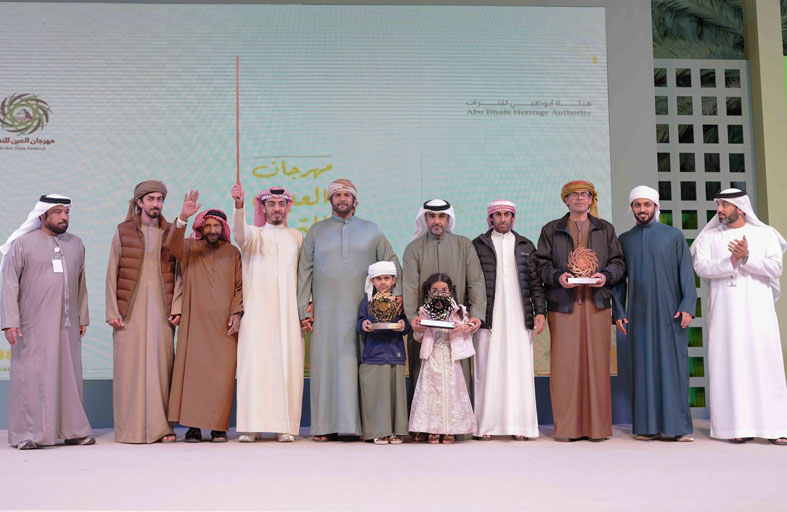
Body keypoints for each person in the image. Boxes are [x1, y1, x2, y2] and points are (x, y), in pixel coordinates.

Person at [297, 178, 402, 441]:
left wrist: (396, 297)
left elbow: (391, 263)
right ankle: (324, 426)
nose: (342, 199)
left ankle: (366, 426)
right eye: (337, 195)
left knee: (360, 367)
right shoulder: (316, 231)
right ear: (330, 200)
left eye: (347, 195)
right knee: (326, 367)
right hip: (325, 313)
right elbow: (303, 273)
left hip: (362, 313)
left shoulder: (372, 230)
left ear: (355, 201)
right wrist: (303, 310)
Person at [691, 188, 787, 445]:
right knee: (730, 366)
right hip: (725, 313)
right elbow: (701, 267)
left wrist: (746, 257)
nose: (719, 210)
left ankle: (775, 427)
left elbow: (775, 268)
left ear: (740, 208)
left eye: (725, 205)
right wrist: (731, 261)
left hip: (758, 312)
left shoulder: (765, 234)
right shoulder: (709, 237)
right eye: (718, 205)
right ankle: (735, 426)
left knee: (766, 365)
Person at [533, 180, 625, 441]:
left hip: (596, 303)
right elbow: (541, 264)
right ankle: (567, 428)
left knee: (597, 365)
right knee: (565, 367)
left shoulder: (605, 229)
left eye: (585, 195)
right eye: (574, 195)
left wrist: (605, 276)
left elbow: (618, 262)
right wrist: (557, 277)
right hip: (563, 304)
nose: (580, 199)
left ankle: (597, 428)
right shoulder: (551, 229)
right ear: (566, 200)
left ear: (591, 199)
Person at [1, 194, 94, 449]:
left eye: (67, 212)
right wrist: (10, 321)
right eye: (58, 212)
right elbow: (9, 284)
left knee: (69, 376)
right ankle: (28, 434)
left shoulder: (76, 244)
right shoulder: (23, 244)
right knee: (32, 377)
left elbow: (81, 283)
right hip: (32, 325)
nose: (64, 217)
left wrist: (82, 316)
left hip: (68, 324)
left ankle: (74, 430)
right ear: (42, 215)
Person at [613, 186, 696, 442]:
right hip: (638, 315)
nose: (642, 209)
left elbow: (687, 274)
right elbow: (619, 281)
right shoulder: (625, 240)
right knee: (643, 370)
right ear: (631, 208)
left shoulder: (674, 236)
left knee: (674, 369)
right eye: (637, 205)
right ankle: (646, 427)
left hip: (671, 314)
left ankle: (678, 428)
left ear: (656, 207)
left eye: (646, 205)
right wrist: (619, 311)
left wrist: (687, 306)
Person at [106, 180, 179, 443]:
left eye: (160, 199)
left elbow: (179, 273)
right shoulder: (123, 231)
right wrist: (112, 310)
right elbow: (112, 269)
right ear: (139, 202)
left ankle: (162, 428)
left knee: (161, 369)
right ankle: (130, 429)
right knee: (129, 369)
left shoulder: (170, 232)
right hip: (129, 311)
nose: (156, 204)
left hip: (162, 310)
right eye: (151, 199)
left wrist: (177, 307)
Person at [167, 192, 243, 443]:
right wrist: (183, 217)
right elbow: (172, 245)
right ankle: (194, 427)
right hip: (195, 323)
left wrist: (236, 313)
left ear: (223, 229)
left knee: (222, 377)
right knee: (195, 376)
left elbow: (239, 287)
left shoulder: (232, 252)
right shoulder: (190, 248)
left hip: (224, 326)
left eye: (216, 226)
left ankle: (218, 427)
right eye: (207, 225)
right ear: (200, 228)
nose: (212, 230)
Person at [231, 183, 304, 443]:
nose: (276, 208)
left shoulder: (296, 237)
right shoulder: (254, 234)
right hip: (257, 313)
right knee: (255, 366)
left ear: (287, 208)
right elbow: (238, 234)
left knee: (287, 366)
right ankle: (251, 426)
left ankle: (285, 426)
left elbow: (303, 275)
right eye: (271, 204)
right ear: (263, 208)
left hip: (288, 315)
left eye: (281, 204)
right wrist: (239, 205)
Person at [471, 199, 546, 440]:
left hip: (519, 316)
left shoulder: (525, 245)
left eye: (507, 214)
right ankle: (485, 427)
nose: (503, 219)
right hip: (488, 318)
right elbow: (471, 283)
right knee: (487, 368)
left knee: (519, 368)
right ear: (490, 218)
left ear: (513, 218)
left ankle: (521, 427)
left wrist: (540, 311)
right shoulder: (478, 245)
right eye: (498, 214)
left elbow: (535, 283)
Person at [402, 199, 485, 404]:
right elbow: (410, 287)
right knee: (422, 379)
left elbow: (476, 282)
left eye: (441, 216)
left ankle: (456, 424)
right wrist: (413, 319)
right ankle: (422, 423)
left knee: (458, 380)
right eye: (432, 216)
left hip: (457, 325)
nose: (437, 221)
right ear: (425, 218)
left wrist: (476, 316)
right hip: (424, 327)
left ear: (449, 219)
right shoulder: (414, 248)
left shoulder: (463, 245)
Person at [409, 273, 476, 444]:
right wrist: (419, 328)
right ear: (429, 292)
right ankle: (433, 429)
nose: (440, 293)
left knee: (451, 391)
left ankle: (449, 429)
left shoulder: (458, 309)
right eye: (435, 290)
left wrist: (463, 327)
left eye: (444, 290)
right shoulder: (425, 310)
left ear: (450, 290)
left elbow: (469, 326)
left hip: (450, 355)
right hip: (432, 354)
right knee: (431, 391)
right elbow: (418, 337)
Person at [357, 261, 411, 445]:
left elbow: (406, 323)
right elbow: (360, 322)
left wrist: (403, 325)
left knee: (395, 396)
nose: (382, 282)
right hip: (374, 355)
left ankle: (396, 431)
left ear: (394, 280)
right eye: (378, 279)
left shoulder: (398, 302)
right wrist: (364, 324)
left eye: (386, 278)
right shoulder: (367, 302)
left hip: (395, 354)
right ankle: (379, 431)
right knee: (377, 396)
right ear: (372, 281)